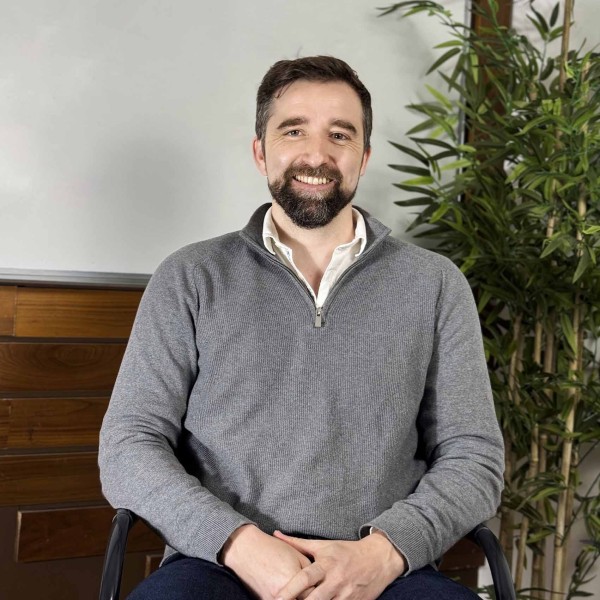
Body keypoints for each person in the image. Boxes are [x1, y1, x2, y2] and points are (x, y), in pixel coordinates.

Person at [99, 55, 504, 600]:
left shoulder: (435, 284)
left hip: (385, 571)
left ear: (364, 157)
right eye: (294, 131)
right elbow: (128, 446)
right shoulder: (190, 276)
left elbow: (474, 457)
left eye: (340, 134)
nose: (317, 155)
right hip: (219, 565)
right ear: (260, 151)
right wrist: (239, 544)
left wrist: (383, 553)